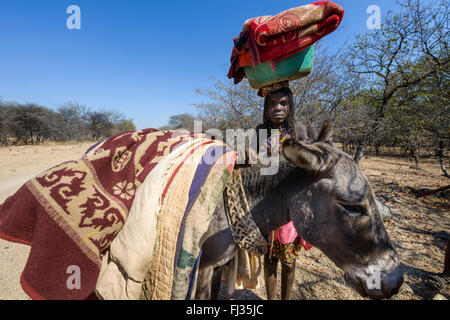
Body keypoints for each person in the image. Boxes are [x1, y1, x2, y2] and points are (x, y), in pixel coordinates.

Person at [254, 81, 312, 300]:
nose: (276, 108)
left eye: (282, 103)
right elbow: (253, 167)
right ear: (266, 109)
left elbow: (306, 168)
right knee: (269, 260)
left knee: (289, 261)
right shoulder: (260, 132)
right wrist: (255, 157)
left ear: (289, 107)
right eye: (271, 104)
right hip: (265, 206)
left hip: (290, 210)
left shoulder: (298, 132)